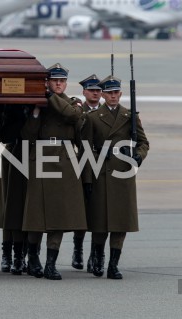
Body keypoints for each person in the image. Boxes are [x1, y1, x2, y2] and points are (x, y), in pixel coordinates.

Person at [21, 63, 87, 280]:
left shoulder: (73, 103)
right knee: (36, 215)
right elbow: (28, 135)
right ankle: (33, 259)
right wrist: (36, 113)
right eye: (54, 80)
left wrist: (48, 97)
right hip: (40, 158)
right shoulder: (37, 103)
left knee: (58, 215)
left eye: (61, 80)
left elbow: (72, 116)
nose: (58, 83)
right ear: (47, 81)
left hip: (63, 160)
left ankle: (51, 263)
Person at [82, 75, 149, 279]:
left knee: (120, 223)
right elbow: (85, 147)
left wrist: (138, 156)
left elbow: (143, 142)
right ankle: (98, 258)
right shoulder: (93, 118)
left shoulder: (129, 116)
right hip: (101, 173)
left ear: (120, 94)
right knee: (100, 223)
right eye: (109, 93)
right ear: (103, 95)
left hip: (123, 175)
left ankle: (113, 264)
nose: (113, 96)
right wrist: (99, 156)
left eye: (116, 93)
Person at [71, 74, 102, 272]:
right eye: (92, 90)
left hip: (103, 165)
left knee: (99, 213)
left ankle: (95, 255)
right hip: (83, 163)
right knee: (82, 212)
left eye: (98, 90)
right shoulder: (78, 111)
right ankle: (78, 249)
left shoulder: (106, 111)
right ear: (84, 92)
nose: (95, 93)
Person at [0, 104, 29, 275]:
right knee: (11, 205)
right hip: (13, 151)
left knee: (31, 207)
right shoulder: (7, 105)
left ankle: (27, 253)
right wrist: (3, 107)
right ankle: (9, 253)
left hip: (34, 153)